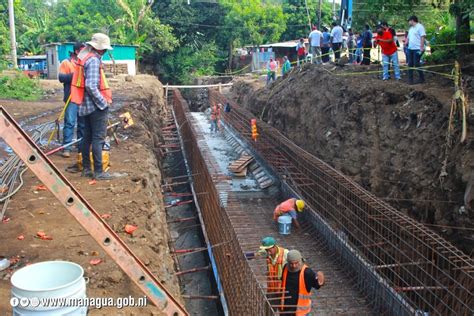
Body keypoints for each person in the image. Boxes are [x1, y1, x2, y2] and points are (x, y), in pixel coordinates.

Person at [71, 33, 113, 180]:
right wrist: (103, 103)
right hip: (95, 106)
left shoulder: (84, 58)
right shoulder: (94, 60)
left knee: (86, 138)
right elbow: (91, 85)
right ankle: (99, 172)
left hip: (84, 105)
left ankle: (87, 169)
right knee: (98, 139)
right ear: (101, 49)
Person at [58, 42, 85, 158]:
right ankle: (67, 147)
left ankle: (81, 146)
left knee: (83, 124)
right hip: (71, 97)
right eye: (83, 51)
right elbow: (61, 78)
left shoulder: (84, 63)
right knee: (69, 122)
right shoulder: (66, 63)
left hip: (83, 98)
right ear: (77, 51)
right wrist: (76, 75)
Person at [279, 250, 325, 315]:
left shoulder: (307, 272)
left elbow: (317, 285)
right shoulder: (285, 268)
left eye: (296, 263)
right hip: (286, 308)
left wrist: (321, 281)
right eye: (291, 263)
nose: (294, 266)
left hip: (301, 311)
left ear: (300, 261)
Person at [406, 15, 426, 84]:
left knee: (416, 63)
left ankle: (422, 78)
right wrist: (406, 43)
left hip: (417, 48)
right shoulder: (411, 29)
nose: (408, 22)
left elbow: (422, 37)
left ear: (412, 20)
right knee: (410, 63)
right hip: (410, 48)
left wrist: (421, 46)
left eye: (409, 21)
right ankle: (410, 80)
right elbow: (408, 37)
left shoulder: (420, 27)